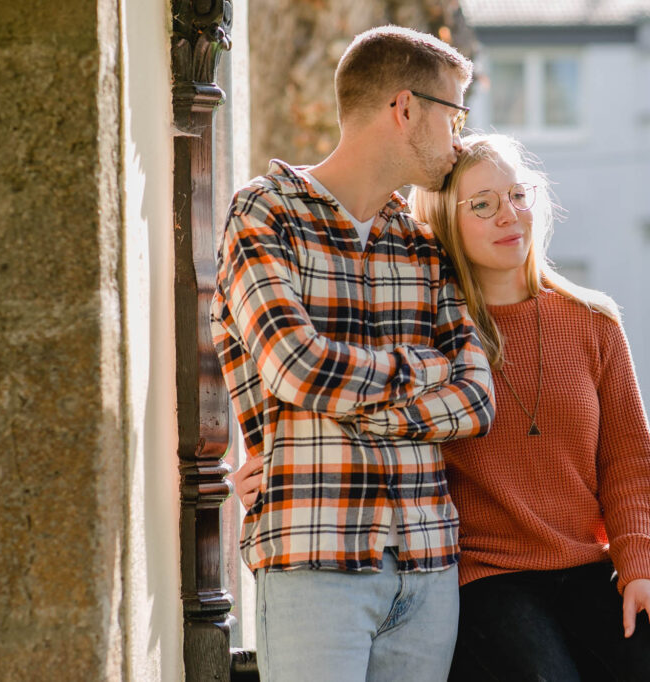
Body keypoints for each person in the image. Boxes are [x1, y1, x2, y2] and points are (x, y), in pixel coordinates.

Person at [234, 133, 650, 680]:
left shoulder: (593, 321)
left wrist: (644, 569)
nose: (509, 215)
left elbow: (630, 465)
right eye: (482, 204)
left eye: (518, 195)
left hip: (590, 568)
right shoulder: (430, 333)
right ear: (445, 223)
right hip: (482, 577)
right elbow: (357, 410)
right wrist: (279, 457)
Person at [212, 27, 495, 682]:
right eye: (453, 114)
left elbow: (478, 400)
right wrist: (422, 371)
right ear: (404, 109)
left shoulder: (424, 245)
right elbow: (295, 367)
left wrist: (360, 414)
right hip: (314, 557)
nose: (458, 139)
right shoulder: (266, 213)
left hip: (428, 568)